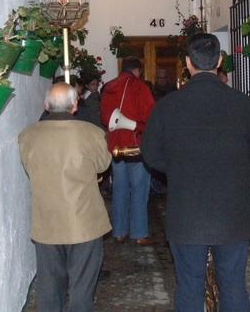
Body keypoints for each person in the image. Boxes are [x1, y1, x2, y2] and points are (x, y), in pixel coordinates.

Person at [140, 33, 250, 311]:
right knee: (233, 287)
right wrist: (234, 172)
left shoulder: (167, 106)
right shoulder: (242, 104)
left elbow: (149, 152)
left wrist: (176, 169)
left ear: (187, 63)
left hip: (186, 212)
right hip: (231, 212)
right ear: (220, 61)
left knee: (189, 287)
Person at [18, 82, 112, 312]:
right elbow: (103, 165)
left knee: (49, 287)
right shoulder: (91, 132)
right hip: (84, 222)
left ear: (46, 105)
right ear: (75, 105)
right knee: (82, 287)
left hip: (47, 221)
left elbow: (29, 166)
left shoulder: (28, 135)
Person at [100, 56, 157, 245]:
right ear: (138, 71)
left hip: (115, 146)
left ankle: (119, 231)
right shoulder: (139, 86)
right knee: (139, 190)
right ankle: (139, 234)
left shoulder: (108, 87)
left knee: (119, 189)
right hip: (135, 145)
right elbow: (149, 116)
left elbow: (104, 118)